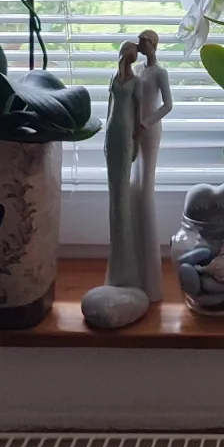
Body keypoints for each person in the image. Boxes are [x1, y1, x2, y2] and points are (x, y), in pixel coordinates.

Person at [131, 29, 172, 301]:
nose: (139, 46)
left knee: (146, 191)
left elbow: (168, 105)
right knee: (135, 189)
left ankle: (151, 278)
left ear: (153, 45)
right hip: (134, 131)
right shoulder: (137, 69)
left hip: (149, 131)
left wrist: (146, 123)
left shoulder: (160, 73)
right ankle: (135, 267)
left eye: (143, 42)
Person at [103, 40, 143, 289]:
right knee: (113, 191)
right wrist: (104, 137)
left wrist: (136, 140)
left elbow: (137, 114)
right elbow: (109, 107)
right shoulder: (114, 78)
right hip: (112, 131)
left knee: (122, 191)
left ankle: (126, 262)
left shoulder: (136, 82)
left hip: (126, 132)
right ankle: (115, 264)